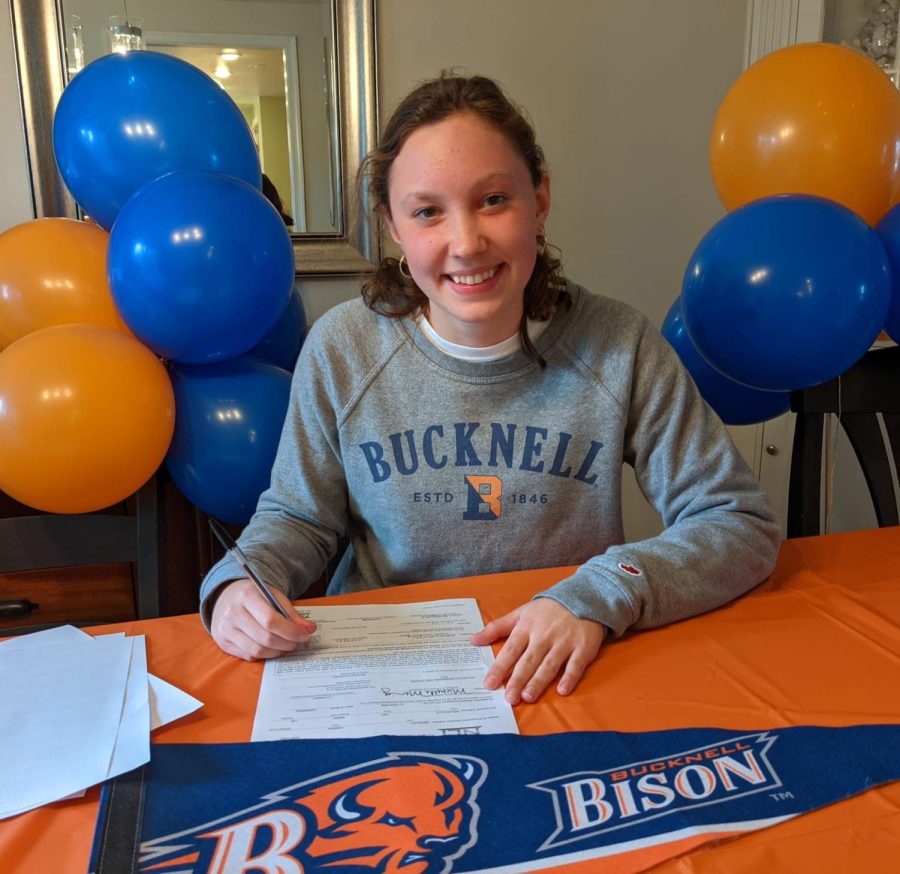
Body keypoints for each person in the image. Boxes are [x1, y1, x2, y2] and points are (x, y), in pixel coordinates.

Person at [201, 72, 780, 705]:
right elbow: (297, 516)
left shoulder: (620, 344)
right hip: (389, 670)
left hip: (563, 668)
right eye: (428, 211)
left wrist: (602, 591)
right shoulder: (343, 348)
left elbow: (737, 521)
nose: (466, 243)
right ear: (393, 226)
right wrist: (240, 582)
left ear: (540, 199)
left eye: (494, 200)